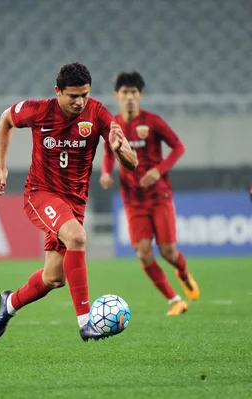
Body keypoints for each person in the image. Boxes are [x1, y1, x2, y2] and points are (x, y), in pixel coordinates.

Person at [0, 62, 138, 341]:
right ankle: (85, 323)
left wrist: (120, 151)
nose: (80, 102)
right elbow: (6, 119)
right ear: (57, 91)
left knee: (54, 278)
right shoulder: (38, 110)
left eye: (85, 94)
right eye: (73, 96)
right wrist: (1, 166)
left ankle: (8, 304)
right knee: (77, 238)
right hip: (41, 193)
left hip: (75, 202)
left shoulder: (98, 114)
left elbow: (133, 162)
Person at [100, 72, 199, 316]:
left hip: (159, 197)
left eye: (134, 92)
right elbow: (107, 152)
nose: (130, 97)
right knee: (144, 253)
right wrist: (105, 172)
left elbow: (178, 147)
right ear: (117, 96)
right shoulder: (113, 124)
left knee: (168, 252)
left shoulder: (153, 122)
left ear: (140, 95)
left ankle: (183, 273)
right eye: (125, 92)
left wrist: (159, 170)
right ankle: (174, 300)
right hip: (133, 200)